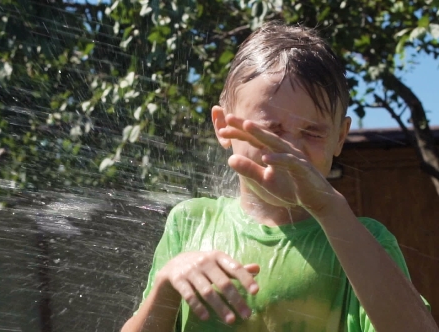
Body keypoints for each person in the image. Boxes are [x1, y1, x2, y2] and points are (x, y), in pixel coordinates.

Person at [121, 21, 436, 332]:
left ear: (340, 138)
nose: (291, 148)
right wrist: (167, 283)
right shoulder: (190, 223)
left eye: (312, 133)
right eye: (271, 129)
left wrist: (329, 208)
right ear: (222, 126)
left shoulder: (360, 242)